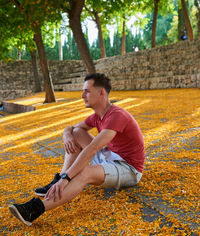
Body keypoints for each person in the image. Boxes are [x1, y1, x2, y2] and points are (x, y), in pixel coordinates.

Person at [9, 73, 145, 226]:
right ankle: (58, 179)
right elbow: (72, 128)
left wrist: (67, 179)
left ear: (101, 93)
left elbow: (92, 149)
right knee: (76, 133)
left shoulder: (117, 116)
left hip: (128, 168)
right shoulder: (98, 116)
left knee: (84, 173)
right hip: (110, 157)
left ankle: (34, 210)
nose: (82, 95)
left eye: (87, 91)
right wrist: (67, 135)